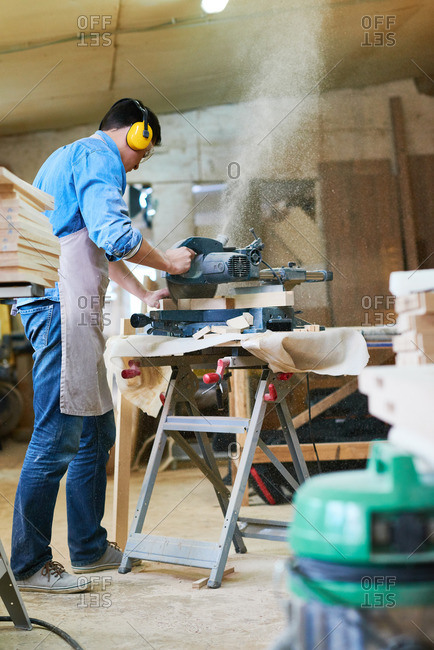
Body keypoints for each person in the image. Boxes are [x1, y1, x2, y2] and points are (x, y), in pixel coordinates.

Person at [11, 98, 195, 593]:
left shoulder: (69, 158)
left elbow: (96, 243)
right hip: (60, 307)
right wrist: (170, 265)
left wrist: (143, 290)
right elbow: (114, 233)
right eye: (145, 151)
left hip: (73, 307)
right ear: (135, 134)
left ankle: (89, 548)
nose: (140, 163)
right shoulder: (100, 159)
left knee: (95, 435)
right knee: (57, 438)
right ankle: (28, 565)